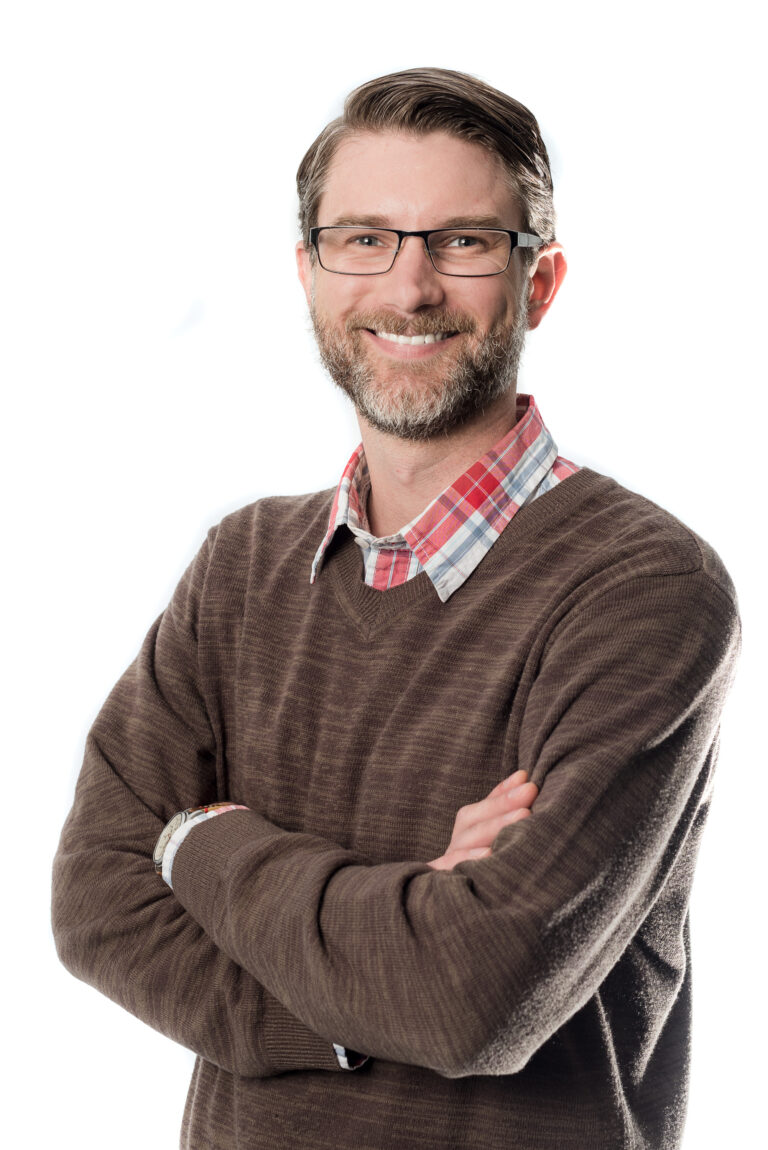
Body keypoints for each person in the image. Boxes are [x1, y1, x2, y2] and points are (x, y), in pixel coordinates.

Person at [52, 67, 740, 1150]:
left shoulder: (644, 588)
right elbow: (96, 901)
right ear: (310, 273)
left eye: (463, 242)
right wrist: (382, 956)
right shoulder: (240, 566)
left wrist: (200, 838)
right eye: (363, 239)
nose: (408, 287)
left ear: (541, 283)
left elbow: (470, 997)